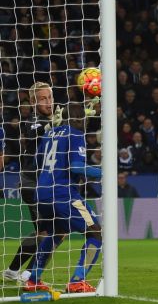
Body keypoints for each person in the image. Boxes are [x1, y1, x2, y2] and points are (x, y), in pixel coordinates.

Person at [26, 103, 103, 293]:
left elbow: (37, 161)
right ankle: (77, 280)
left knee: (57, 232)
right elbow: (76, 166)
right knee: (96, 232)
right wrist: (102, 171)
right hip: (64, 193)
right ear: (79, 119)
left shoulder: (49, 134)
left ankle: (33, 279)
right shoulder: (76, 134)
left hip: (42, 193)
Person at [3, 83, 60, 283]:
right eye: (43, 98)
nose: (48, 102)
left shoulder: (55, 120)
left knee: (44, 232)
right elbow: (35, 134)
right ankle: (30, 277)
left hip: (45, 184)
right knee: (49, 232)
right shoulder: (33, 120)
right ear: (34, 101)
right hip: (31, 183)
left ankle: (13, 271)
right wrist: (52, 124)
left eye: (50, 97)